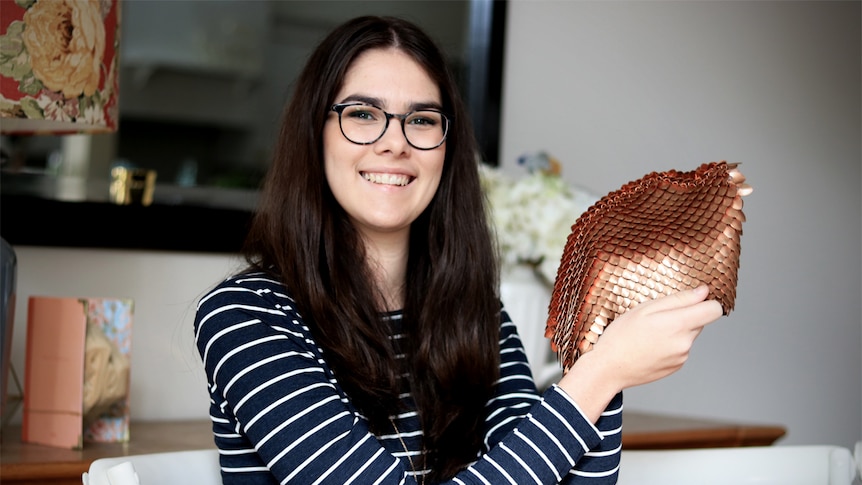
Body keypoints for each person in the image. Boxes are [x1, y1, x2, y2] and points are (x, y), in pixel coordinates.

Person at [193, 15, 722, 485]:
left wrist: (605, 344)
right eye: (362, 114)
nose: (395, 142)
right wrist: (600, 374)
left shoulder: (478, 318)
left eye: (422, 119)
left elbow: (557, 474)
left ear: (447, 148)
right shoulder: (245, 317)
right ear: (315, 132)